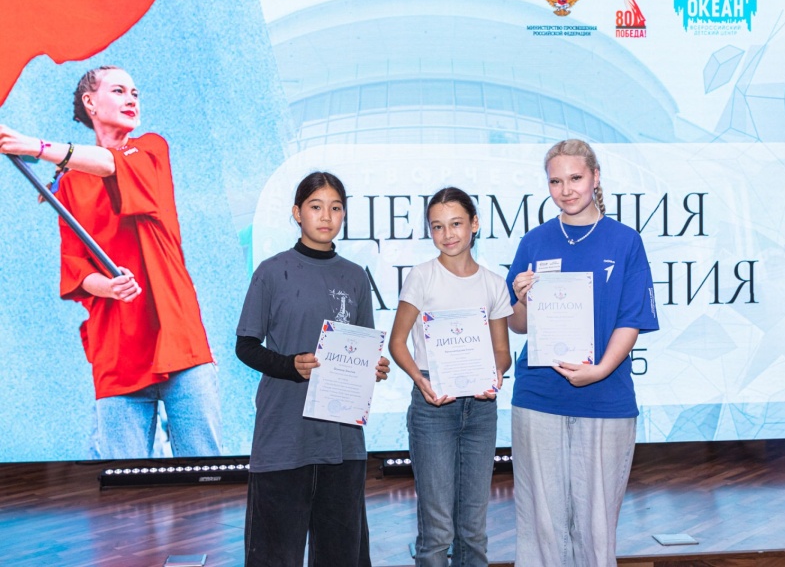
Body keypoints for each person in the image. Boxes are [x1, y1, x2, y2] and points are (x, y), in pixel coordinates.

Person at [0, 66, 221, 459]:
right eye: (118, 91)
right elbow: (75, 266)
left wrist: (36, 146)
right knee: (124, 483)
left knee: (205, 473)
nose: (131, 99)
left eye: (135, 92)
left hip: (178, 339)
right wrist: (109, 286)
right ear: (90, 102)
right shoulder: (68, 184)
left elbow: (109, 164)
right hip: (118, 352)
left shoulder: (151, 149)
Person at [506, 139, 659, 567]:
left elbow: (631, 318)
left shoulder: (625, 241)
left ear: (595, 177)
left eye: (575, 178)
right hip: (538, 396)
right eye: (555, 181)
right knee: (541, 527)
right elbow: (518, 324)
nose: (566, 189)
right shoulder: (534, 241)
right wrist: (522, 299)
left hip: (605, 396)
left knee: (596, 529)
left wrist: (602, 369)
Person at [236, 171, 391, 567]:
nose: (326, 216)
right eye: (316, 206)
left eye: (335, 208)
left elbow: (360, 346)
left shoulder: (355, 276)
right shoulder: (271, 271)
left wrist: (372, 367)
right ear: (297, 213)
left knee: (341, 556)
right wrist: (289, 365)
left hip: (342, 441)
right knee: (274, 556)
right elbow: (246, 346)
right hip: (284, 437)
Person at [388, 187, 512, 567]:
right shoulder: (422, 277)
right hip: (433, 406)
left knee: (473, 530)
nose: (448, 234)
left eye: (456, 223)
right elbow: (397, 342)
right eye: (438, 226)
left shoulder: (493, 283)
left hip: (481, 409)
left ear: (474, 224)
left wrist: (496, 374)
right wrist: (419, 379)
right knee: (437, 531)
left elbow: (502, 352)